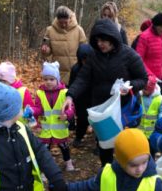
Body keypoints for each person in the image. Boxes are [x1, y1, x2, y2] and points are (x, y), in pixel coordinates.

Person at [62, 18, 148, 167]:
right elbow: (82, 78)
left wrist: (129, 87)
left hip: (123, 109)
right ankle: (107, 172)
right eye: (97, 40)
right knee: (105, 145)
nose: (100, 44)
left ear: (113, 38)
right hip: (103, 110)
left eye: (103, 40)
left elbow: (143, 79)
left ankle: (127, 173)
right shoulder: (93, 56)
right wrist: (70, 96)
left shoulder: (129, 55)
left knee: (126, 145)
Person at [26, 61, 75, 171]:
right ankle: (43, 170)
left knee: (64, 147)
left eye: (51, 79)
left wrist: (67, 115)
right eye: (45, 79)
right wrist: (32, 110)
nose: (48, 82)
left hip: (60, 128)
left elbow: (71, 109)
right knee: (44, 150)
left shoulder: (65, 93)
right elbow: (39, 109)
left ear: (57, 79)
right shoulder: (40, 93)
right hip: (45, 128)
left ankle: (68, 163)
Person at [41, 5, 87, 85]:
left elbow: (85, 51)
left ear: (70, 18)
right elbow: (46, 51)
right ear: (57, 20)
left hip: (76, 72)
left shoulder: (79, 30)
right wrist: (45, 50)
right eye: (61, 22)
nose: (63, 25)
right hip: (57, 72)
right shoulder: (49, 30)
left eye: (65, 22)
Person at [68, 44, 94, 147]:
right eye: (83, 60)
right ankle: (79, 137)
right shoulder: (76, 69)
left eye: (87, 59)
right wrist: (73, 97)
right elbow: (72, 84)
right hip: (81, 99)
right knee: (82, 119)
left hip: (94, 97)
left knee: (97, 120)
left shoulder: (97, 67)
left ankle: (99, 142)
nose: (85, 62)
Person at [138, 75, 162, 157]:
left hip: (152, 130)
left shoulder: (159, 99)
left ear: (151, 90)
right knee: (142, 148)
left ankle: (151, 161)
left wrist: (160, 121)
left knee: (151, 150)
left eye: (145, 90)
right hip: (141, 130)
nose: (143, 91)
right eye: (142, 88)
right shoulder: (140, 96)